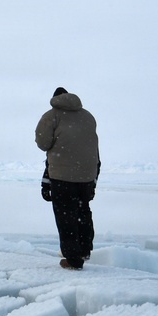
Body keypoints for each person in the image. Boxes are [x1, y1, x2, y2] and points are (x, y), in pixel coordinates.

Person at [35, 87, 100, 270]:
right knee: (82, 211)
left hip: (62, 175)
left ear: (55, 99)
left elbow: (43, 143)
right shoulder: (88, 116)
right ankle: (84, 250)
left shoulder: (52, 115)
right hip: (87, 175)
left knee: (66, 215)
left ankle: (73, 259)